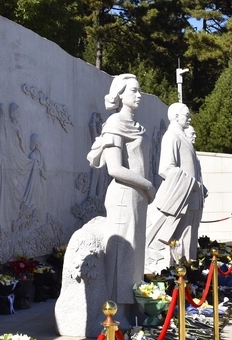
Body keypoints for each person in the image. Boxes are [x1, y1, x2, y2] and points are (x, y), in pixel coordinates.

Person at [87, 74, 156, 306]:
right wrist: (147, 184)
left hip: (138, 197)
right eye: (133, 91)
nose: (138, 95)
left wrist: (145, 189)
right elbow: (115, 169)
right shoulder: (114, 124)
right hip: (124, 195)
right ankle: (116, 311)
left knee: (135, 256)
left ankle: (134, 308)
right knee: (121, 255)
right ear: (120, 94)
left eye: (139, 91)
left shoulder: (138, 126)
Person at [144, 102, 205, 272]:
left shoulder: (183, 138)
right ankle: (179, 278)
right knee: (179, 242)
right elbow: (166, 169)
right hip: (182, 199)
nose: (190, 117)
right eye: (186, 114)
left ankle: (189, 280)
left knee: (189, 242)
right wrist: (191, 183)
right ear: (176, 117)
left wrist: (200, 189)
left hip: (192, 199)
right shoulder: (171, 136)